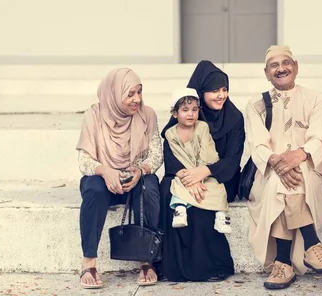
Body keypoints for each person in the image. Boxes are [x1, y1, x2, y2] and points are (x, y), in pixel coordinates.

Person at [246, 45, 322, 290]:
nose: (281, 69)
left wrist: (296, 157)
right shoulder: (255, 104)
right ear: (266, 73)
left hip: (310, 170)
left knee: (292, 177)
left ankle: (283, 262)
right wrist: (279, 163)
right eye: (274, 66)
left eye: (286, 63)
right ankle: (312, 245)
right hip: (269, 173)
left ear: (296, 67)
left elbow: (319, 139)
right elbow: (257, 145)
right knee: (282, 180)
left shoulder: (315, 99)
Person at [157, 61, 245, 282]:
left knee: (205, 192)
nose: (220, 95)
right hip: (186, 173)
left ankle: (210, 266)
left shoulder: (234, 118)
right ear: (200, 92)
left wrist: (204, 172)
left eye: (224, 89)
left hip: (222, 174)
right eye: (214, 90)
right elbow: (171, 157)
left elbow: (233, 160)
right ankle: (174, 267)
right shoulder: (184, 120)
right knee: (168, 189)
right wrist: (191, 177)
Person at [77, 68, 162, 289]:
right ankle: (89, 262)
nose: (137, 100)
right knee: (93, 188)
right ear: (113, 94)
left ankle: (146, 259)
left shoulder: (147, 115)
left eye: (139, 92)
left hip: (134, 178)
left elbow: (156, 154)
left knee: (150, 187)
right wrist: (106, 171)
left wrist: (141, 170)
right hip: (103, 179)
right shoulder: (93, 115)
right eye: (130, 94)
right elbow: (84, 160)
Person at [166, 88, 231, 234]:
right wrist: (191, 178)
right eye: (185, 110)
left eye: (194, 109)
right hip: (186, 174)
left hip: (203, 170)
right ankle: (180, 210)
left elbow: (208, 152)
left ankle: (221, 216)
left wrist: (199, 174)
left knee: (216, 187)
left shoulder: (202, 127)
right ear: (175, 113)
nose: (190, 114)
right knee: (177, 184)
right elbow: (177, 157)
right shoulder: (170, 134)